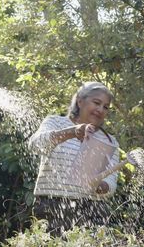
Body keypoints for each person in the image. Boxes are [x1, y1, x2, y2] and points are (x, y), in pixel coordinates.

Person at [28, 81, 120, 236]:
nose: (100, 109)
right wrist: (71, 132)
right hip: (51, 205)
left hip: (91, 210)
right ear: (80, 101)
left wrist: (98, 184)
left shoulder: (109, 141)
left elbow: (110, 184)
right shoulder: (55, 122)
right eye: (96, 103)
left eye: (105, 107)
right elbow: (35, 145)